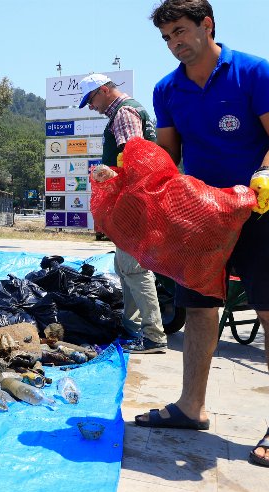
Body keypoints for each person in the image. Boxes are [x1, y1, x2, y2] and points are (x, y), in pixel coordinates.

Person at [138, 0, 269, 469]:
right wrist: (134, 175)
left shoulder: (253, 72)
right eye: (167, 37)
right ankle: (192, 407)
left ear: (207, 25)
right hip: (202, 216)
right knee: (199, 309)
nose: (174, 43)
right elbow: (169, 156)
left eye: (181, 31)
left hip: (258, 208)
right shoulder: (167, 89)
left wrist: (267, 173)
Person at [80, 73, 167, 354]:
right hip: (133, 200)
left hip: (133, 202)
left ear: (104, 90)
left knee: (133, 267)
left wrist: (109, 175)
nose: (91, 106)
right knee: (124, 267)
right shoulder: (124, 112)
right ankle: (132, 329)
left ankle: (153, 336)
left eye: (92, 99)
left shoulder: (124, 114)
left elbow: (136, 161)